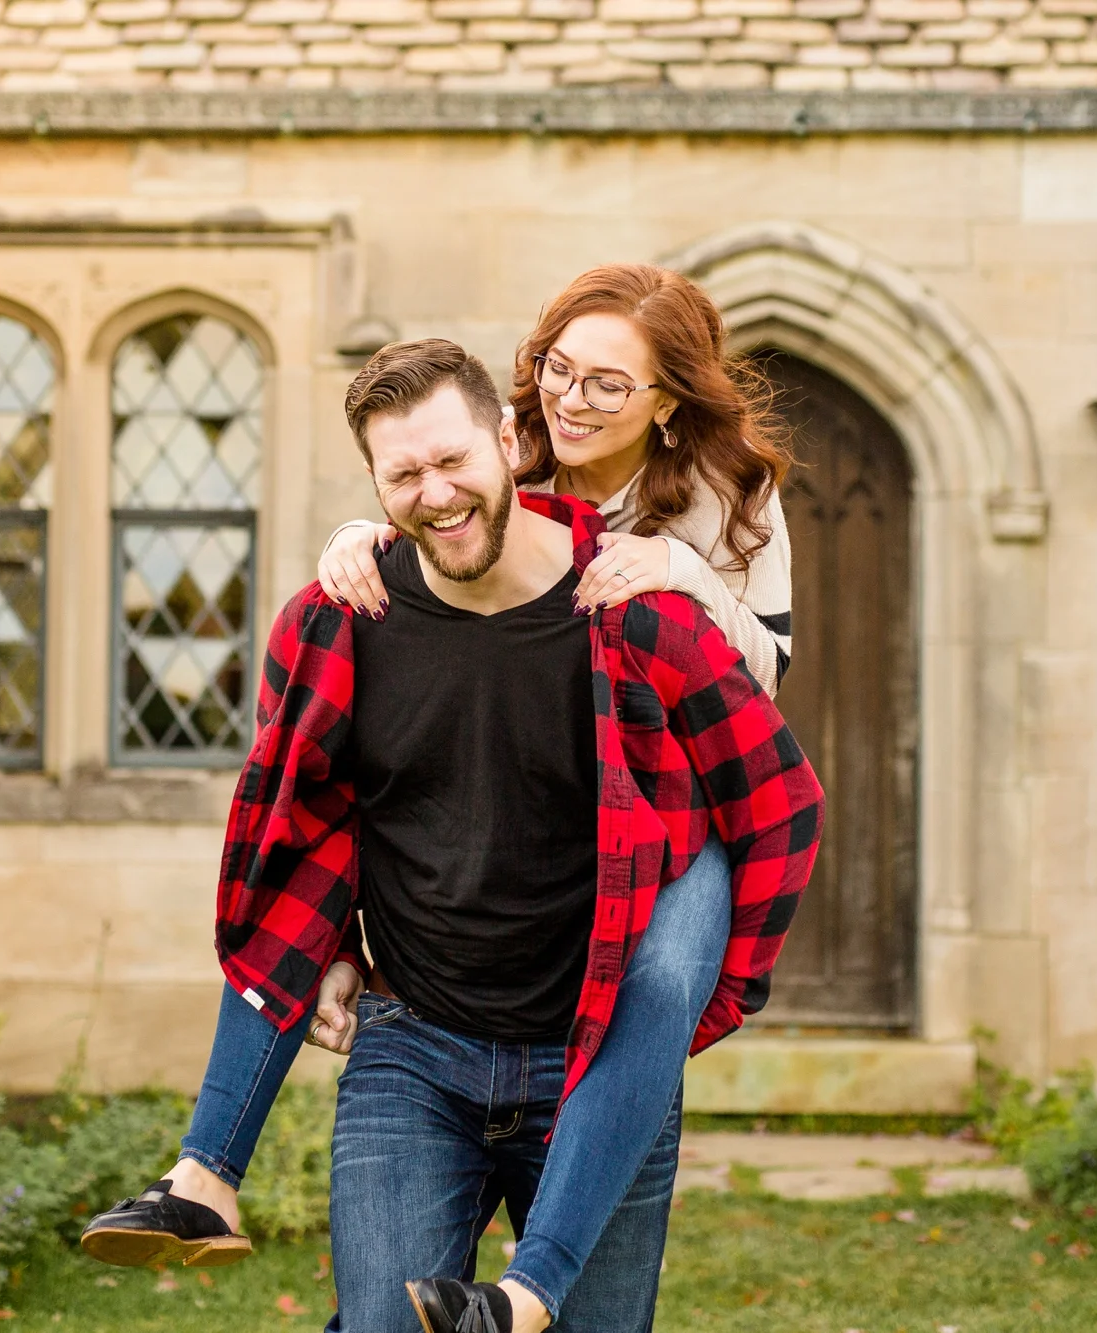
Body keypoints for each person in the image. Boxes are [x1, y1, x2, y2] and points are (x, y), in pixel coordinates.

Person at [82, 338, 822, 1333]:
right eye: (403, 473)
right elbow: (295, 828)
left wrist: (702, 992)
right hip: (413, 1051)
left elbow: (778, 800)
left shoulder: (631, 618)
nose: (434, 493)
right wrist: (337, 950)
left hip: (590, 1059)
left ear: (510, 444)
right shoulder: (337, 621)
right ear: (374, 484)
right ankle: (203, 1175)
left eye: (451, 460)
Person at [319, 263, 793, 698]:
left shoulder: (732, 485)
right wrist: (355, 540)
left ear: (667, 401)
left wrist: (682, 569)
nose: (568, 402)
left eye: (607, 386)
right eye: (559, 368)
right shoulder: (503, 443)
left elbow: (765, 676)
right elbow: (428, 512)